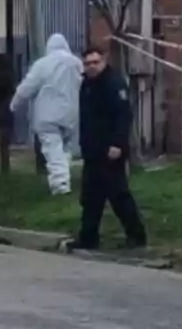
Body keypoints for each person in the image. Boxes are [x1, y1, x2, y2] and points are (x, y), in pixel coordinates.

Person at [71, 45, 147, 251]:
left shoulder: (113, 84)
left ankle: (137, 236)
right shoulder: (87, 84)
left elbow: (123, 115)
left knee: (118, 195)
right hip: (92, 150)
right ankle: (88, 237)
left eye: (95, 62)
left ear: (103, 61)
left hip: (110, 151)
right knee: (90, 198)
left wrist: (117, 144)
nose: (92, 67)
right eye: (88, 64)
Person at [10, 33, 83, 195]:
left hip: (47, 116)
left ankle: (61, 185)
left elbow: (27, 87)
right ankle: (65, 177)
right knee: (65, 149)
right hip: (72, 114)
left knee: (52, 149)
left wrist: (14, 104)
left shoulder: (42, 64)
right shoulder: (77, 64)